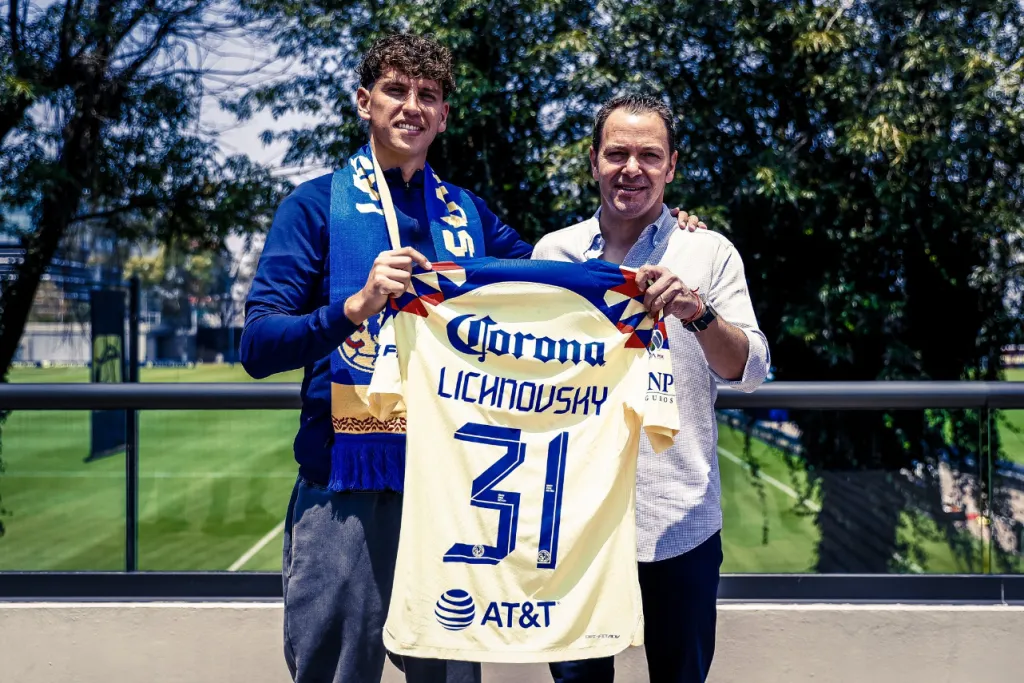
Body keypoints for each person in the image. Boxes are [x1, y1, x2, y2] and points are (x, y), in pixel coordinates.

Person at [240, 35, 705, 683]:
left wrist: (654, 220)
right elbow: (257, 346)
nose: (412, 106)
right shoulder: (314, 207)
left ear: (444, 116)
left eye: (428, 96)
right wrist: (354, 306)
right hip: (349, 488)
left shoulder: (468, 214)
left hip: (454, 494)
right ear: (363, 101)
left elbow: (560, 283)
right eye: (396, 90)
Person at [532, 94, 771, 683]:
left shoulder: (708, 252)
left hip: (680, 519)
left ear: (671, 166)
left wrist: (698, 311)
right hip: (575, 523)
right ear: (593, 162)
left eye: (648, 155)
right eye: (616, 153)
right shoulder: (551, 256)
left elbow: (751, 369)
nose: (631, 168)